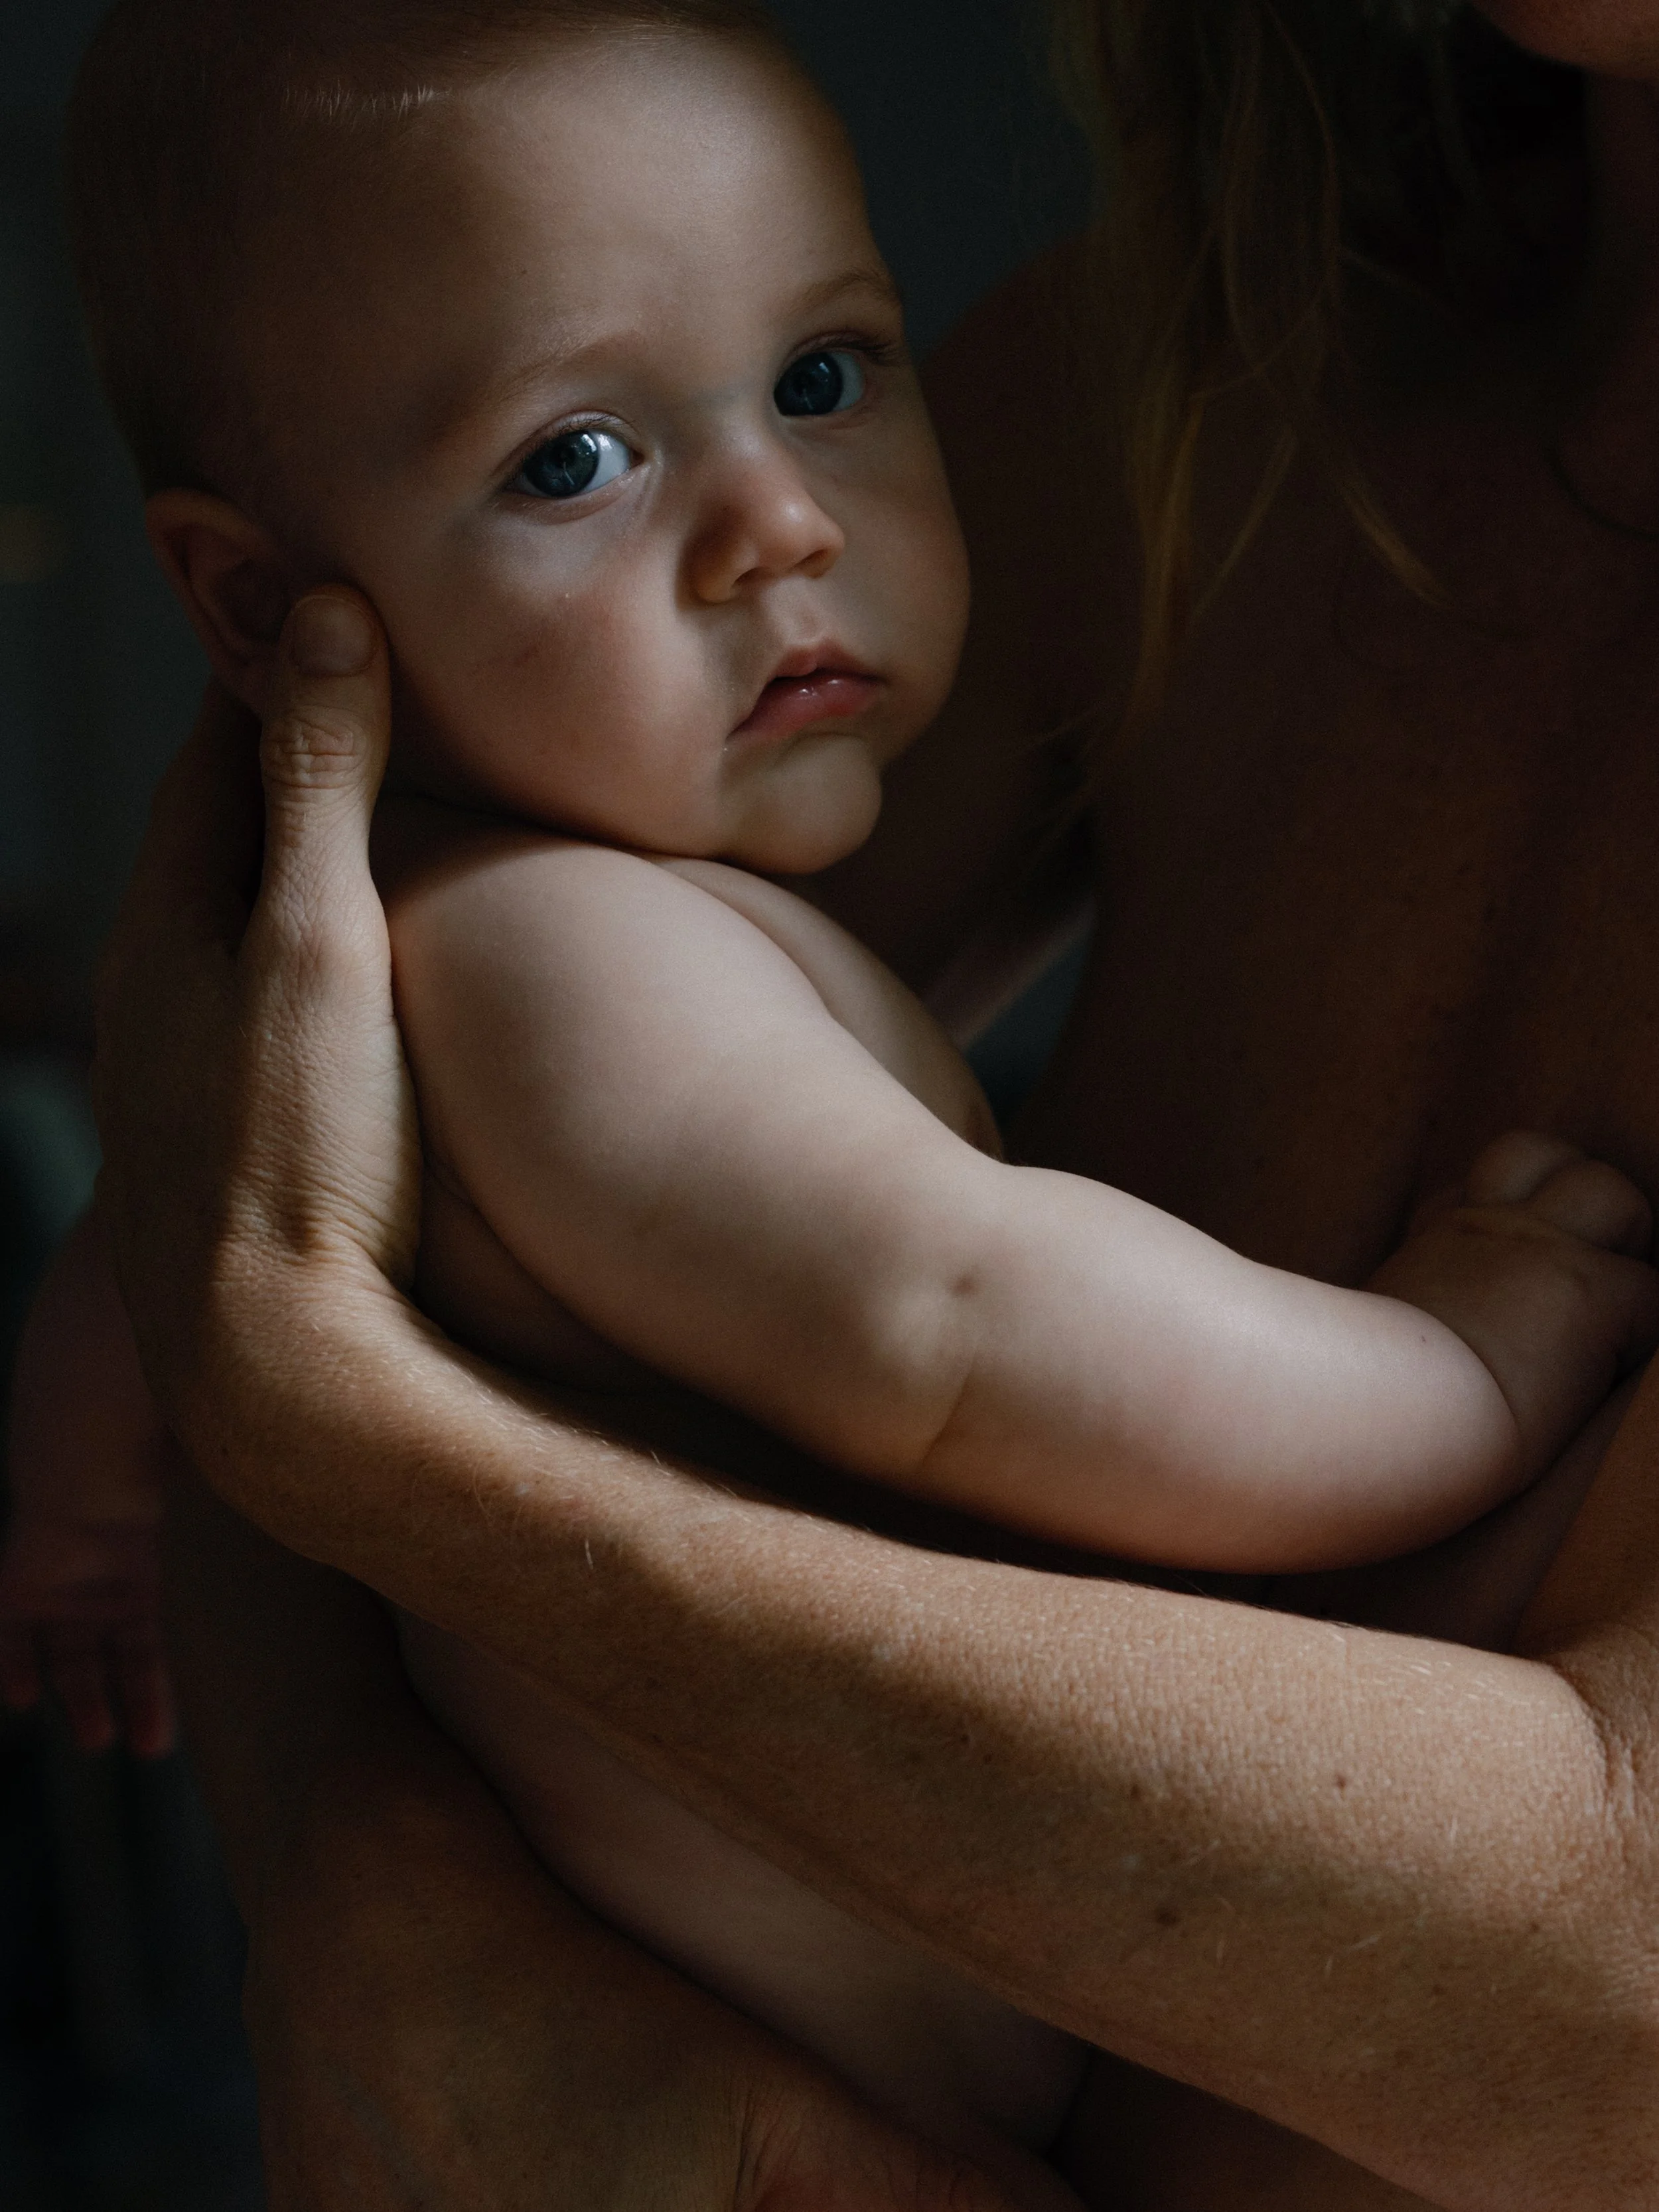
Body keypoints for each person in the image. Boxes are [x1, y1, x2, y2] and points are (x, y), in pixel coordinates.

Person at [15, 3, 1654, 2200]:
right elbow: (965, 1325)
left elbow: (229, 1293)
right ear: (251, 596)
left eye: (820, 378)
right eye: (572, 460)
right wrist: (1465, 1357)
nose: (776, 521)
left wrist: (310, 1444)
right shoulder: (1193, 381)